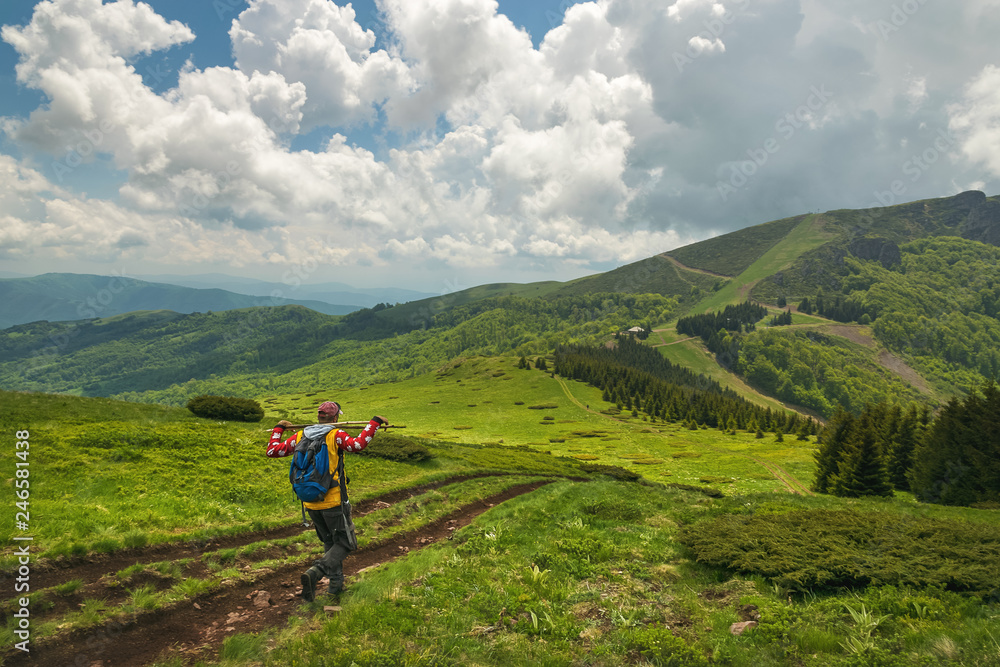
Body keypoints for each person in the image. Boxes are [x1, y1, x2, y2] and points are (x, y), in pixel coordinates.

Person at [266, 400, 389, 601]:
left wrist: (279, 428)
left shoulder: (300, 436)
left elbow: (272, 451)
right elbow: (357, 444)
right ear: (335, 418)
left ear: (319, 416)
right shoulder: (335, 434)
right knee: (347, 544)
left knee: (331, 544)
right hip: (333, 500)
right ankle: (315, 572)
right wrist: (374, 423)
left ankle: (335, 588)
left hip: (310, 502)